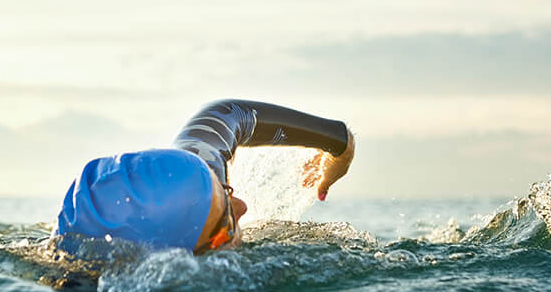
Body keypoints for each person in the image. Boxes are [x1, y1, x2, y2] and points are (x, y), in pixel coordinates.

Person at [56, 100, 355, 255]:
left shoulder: (195, 180)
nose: (242, 207)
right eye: (224, 227)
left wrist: (341, 146)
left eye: (225, 190)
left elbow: (228, 114)